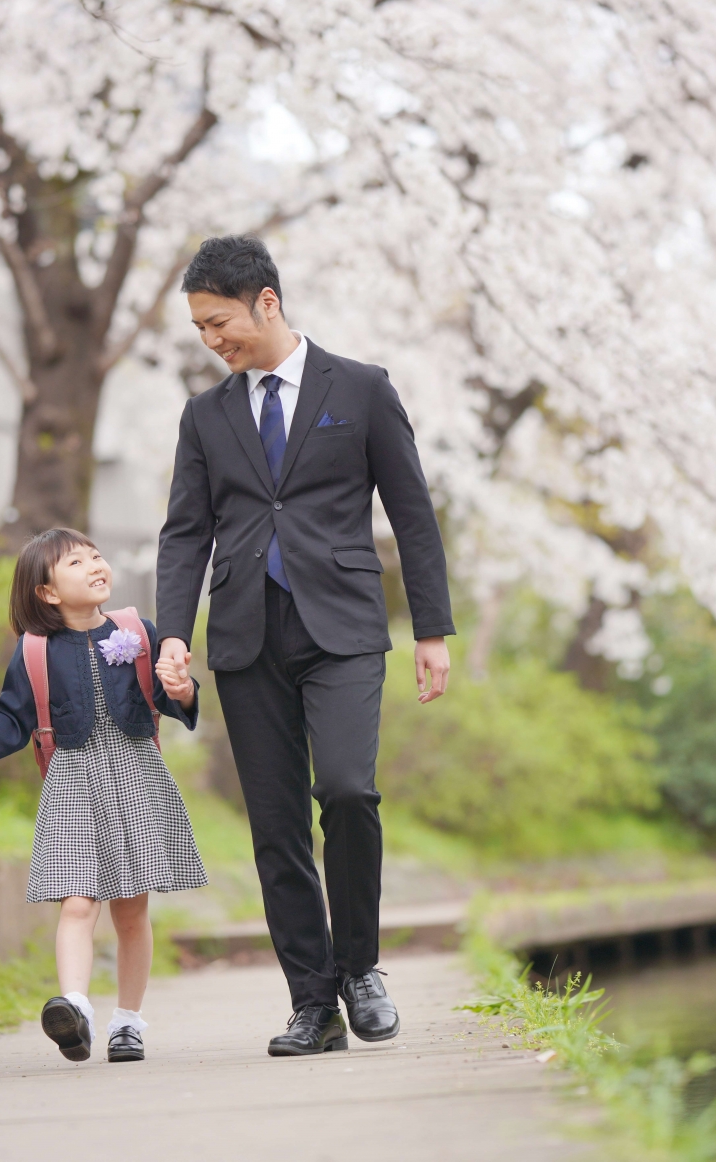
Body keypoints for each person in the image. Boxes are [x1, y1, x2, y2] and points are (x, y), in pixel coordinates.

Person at [155, 235, 454, 1056]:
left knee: (350, 792)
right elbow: (185, 533)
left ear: (267, 302)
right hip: (247, 634)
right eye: (200, 328)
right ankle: (312, 1004)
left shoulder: (359, 389)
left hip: (345, 628)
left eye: (220, 322)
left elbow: (411, 511)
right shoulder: (206, 415)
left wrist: (431, 628)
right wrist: (172, 635)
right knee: (277, 824)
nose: (213, 341)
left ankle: (361, 970)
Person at [0, 528, 206, 1063]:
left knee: (132, 910)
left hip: (136, 773)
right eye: (76, 562)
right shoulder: (35, 652)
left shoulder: (138, 630)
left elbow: (168, 696)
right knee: (78, 903)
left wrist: (183, 690)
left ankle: (129, 1021)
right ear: (47, 592)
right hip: (72, 783)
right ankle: (76, 1007)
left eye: (96, 556)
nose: (95, 565)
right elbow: (15, 720)